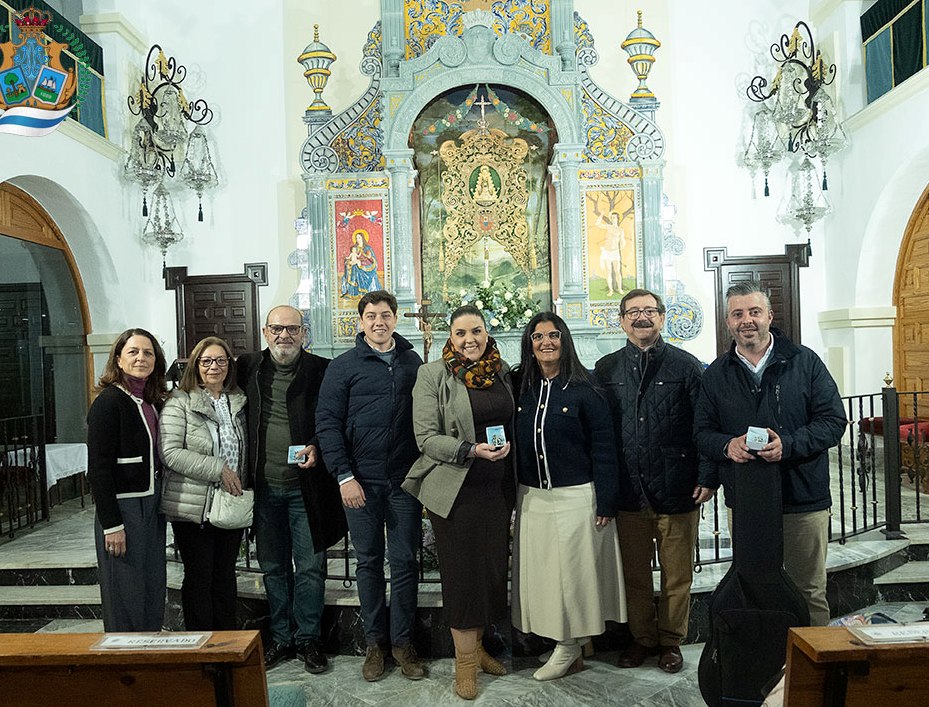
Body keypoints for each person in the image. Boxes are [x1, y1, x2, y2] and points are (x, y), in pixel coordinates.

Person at [694, 281, 846, 626]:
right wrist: (725, 445)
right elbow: (701, 433)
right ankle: (766, 668)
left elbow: (834, 421)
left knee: (808, 588)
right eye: (738, 314)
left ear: (769, 316)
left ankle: (813, 671)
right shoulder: (716, 374)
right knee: (754, 585)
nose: (746, 320)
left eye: (754, 311)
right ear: (728, 322)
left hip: (801, 498)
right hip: (747, 501)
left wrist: (788, 445)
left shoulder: (804, 362)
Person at [594, 289, 716, 674]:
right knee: (635, 577)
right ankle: (642, 639)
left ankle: (670, 641)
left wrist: (707, 475)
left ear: (662, 318)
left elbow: (705, 425)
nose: (641, 317)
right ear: (622, 320)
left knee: (677, 576)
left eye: (649, 311)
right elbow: (601, 434)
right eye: (633, 312)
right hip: (630, 491)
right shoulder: (606, 368)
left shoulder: (687, 365)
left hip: (677, 487)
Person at [403, 304, 513, 700]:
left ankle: (479, 649)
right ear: (451, 336)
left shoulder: (501, 370)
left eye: (477, 332)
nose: (470, 340)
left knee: (489, 575)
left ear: (487, 333)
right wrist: (471, 449)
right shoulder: (432, 375)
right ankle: (463, 664)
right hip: (456, 492)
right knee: (463, 579)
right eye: (462, 333)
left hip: (497, 490)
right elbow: (426, 437)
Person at [316, 290, 425, 683]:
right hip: (359, 483)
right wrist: (344, 476)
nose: (379, 322)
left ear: (395, 319)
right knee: (367, 564)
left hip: (404, 483)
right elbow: (327, 423)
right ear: (360, 322)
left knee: (406, 563)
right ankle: (375, 644)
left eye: (385, 315)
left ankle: (403, 644)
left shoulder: (414, 363)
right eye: (371, 316)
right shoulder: (343, 367)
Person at [511, 312, 626, 681]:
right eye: (538, 336)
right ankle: (562, 640)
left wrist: (606, 500)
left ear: (565, 341)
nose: (546, 342)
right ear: (529, 344)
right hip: (534, 498)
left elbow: (605, 448)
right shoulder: (520, 388)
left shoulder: (586, 390)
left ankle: (569, 645)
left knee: (573, 578)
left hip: (577, 497)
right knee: (544, 576)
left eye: (554, 335)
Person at [237, 305, 347, 672]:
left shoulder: (322, 370)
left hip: (307, 489)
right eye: (277, 328)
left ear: (304, 333)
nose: (285, 335)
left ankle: (309, 640)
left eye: (292, 329)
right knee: (273, 567)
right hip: (264, 488)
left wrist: (316, 444)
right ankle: (281, 638)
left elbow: (335, 417)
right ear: (266, 332)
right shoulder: (247, 367)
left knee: (312, 567)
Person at [159, 336, 246, 631]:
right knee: (199, 576)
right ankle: (202, 645)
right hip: (193, 504)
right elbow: (170, 453)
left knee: (225, 575)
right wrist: (217, 469)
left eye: (221, 360)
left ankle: (227, 643)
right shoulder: (179, 402)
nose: (214, 367)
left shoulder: (237, 400)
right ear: (195, 365)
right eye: (206, 361)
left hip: (229, 502)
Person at [87, 328, 168, 632]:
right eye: (133, 352)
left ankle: (150, 652)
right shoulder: (108, 402)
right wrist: (112, 525)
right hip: (123, 510)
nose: (141, 358)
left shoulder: (151, 401)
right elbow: (98, 469)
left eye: (147, 352)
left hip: (151, 504)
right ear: (118, 359)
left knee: (151, 584)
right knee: (125, 591)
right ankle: (125, 663)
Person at [340, 229, 382, 297]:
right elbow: (351, 257)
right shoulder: (354, 248)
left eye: (359, 238)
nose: (358, 239)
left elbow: (372, 258)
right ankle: (353, 291)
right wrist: (348, 261)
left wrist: (367, 256)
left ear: (363, 238)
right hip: (357, 263)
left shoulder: (368, 248)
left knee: (355, 266)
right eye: (356, 238)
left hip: (366, 263)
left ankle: (362, 290)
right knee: (352, 266)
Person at [596, 211, 626, 297]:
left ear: (617, 219)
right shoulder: (608, 227)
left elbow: (622, 241)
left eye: (615, 217)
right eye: (612, 217)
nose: (613, 219)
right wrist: (601, 214)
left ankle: (620, 289)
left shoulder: (620, 230)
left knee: (617, 271)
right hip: (607, 252)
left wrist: (621, 246)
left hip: (615, 252)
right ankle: (611, 290)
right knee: (608, 270)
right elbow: (597, 224)